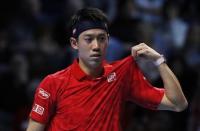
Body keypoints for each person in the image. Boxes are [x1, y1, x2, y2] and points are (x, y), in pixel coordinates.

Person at [26, 8, 188, 131]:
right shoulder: (52, 83)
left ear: (108, 41)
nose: (96, 46)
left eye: (101, 39)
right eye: (88, 39)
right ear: (74, 43)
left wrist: (159, 60)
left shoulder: (121, 76)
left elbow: (177, 103)